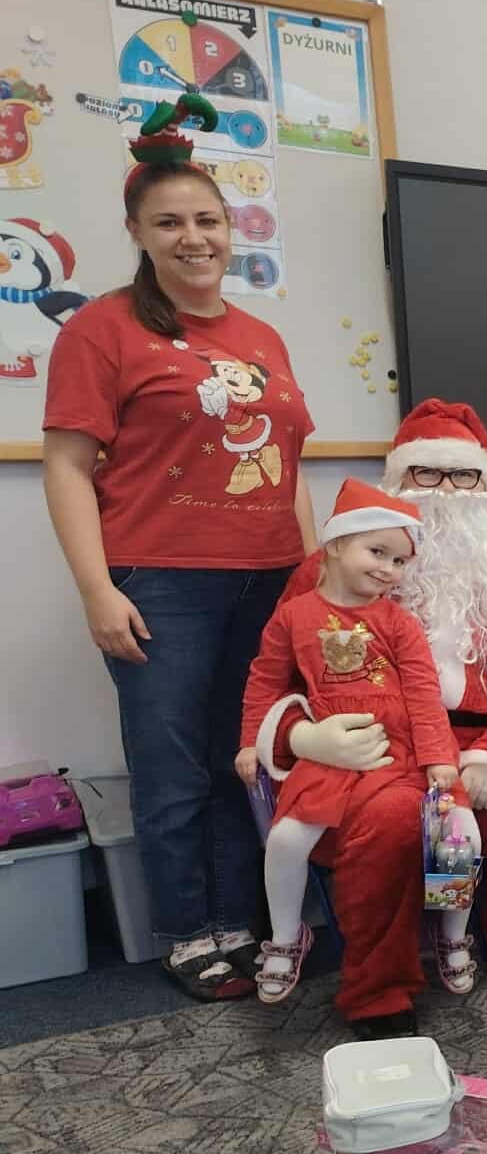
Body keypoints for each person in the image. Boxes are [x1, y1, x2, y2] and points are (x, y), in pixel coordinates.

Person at [42, 104, 317, 1000]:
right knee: (172, 768)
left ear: (228, 230)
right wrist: (95, 590)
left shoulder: (262, 336)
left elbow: (293, 466)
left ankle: (246, 916)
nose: (192, 237)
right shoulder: (102, 329)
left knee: (248, 756)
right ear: (137, 233)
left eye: (206, 220)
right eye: (169, 222)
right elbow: (68, 466)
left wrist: (312, 578)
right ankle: (188, 929)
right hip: (162, 582)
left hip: (269, 578)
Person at [249, 399, 487, 1039]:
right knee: (392, 824)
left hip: (481, 744)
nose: (446, 493)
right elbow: (271, 681)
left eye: (461, 476)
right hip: (373, 749)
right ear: (396, 482)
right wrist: (300, 734)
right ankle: (380, 987)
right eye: (425, 475)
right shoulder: (323, 580)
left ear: (486, 489)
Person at [233, 482, 471, 1001]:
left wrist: (437, 758)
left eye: (401, 560)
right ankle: (285, 937)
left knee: (459, 840)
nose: (389, 568)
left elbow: (424, 695)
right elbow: (265, 681)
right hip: (330, 754)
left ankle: (453, 934)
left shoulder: (399, 622)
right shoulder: (293, 616)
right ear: (335, 544)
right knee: (286, 840)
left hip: (402, 751)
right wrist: (252, 741)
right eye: (377, 551)